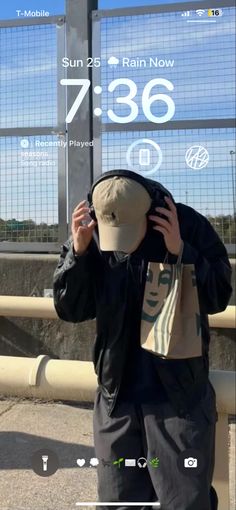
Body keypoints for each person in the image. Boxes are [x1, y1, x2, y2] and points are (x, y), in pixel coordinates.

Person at [53, 170, 232, 510]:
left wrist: (182, 252)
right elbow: (70, 309)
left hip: (178, 400)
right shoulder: (93, 225)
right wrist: (78, 253)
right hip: (116, 401)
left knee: (186, 502)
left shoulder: (187, 224)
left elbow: (218, 295)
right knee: (118, 502)